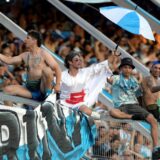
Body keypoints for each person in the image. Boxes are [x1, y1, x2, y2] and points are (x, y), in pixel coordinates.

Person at [107, 57, 160, 157]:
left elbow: (139, 96)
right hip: (121, 106)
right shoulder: (116, 78)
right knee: (112, 112)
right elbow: (107, 76)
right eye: (125, 67)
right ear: (121, 68)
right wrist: (113, 59)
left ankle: (156, 148)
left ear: (131, 70)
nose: (127, 69)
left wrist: (143, 110)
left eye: (129, 68)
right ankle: (131, 117)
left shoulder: (135, 81)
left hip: (134, 106)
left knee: (152, 120)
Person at [0, 30, 61, 103]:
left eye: (28, 38)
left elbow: (57, 68)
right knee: (6, 90)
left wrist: (57, 85)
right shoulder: (25, 55)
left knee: (47, 70)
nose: (25, 40)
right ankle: (10, 113)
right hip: (30, 88)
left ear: (34, 41)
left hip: (42, 89)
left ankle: (48, 97)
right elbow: (8, 60)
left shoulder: (44, 54)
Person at [60, 51, 112, 119]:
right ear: (70, 62)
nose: (79, 61)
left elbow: (100, 66)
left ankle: (101, 117)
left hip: (80, 103)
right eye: (76, 60)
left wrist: (113, 55)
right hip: (64, 104)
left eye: (80, 60)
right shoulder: (62, 75)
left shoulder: (84, 72)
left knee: (85, 109)